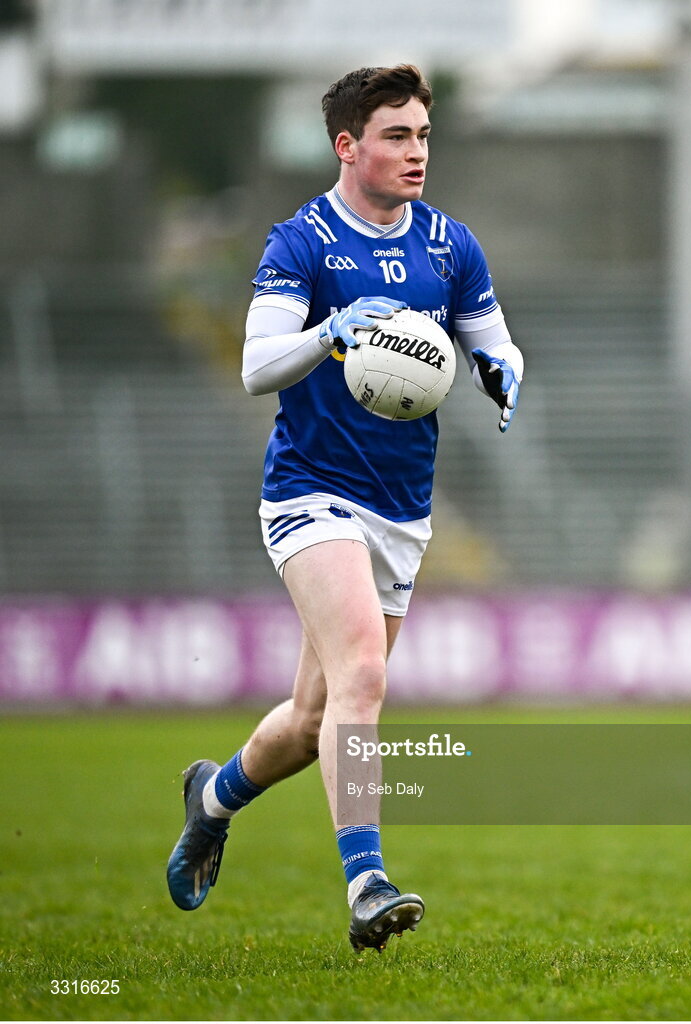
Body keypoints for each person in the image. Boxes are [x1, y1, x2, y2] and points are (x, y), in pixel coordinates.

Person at [167, 64, 524, 952]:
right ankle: (367, 883)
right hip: (310, 494)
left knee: (314, 719)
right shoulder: (300, 244)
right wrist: (329, 331)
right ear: (346, 145)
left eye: (424, 135)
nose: (416, 153)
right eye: (397, 136)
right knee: (365, 674)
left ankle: (212, 799)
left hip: (402, 510)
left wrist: (501, 369)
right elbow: (256, 368)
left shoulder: (450, 244)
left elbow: (492, 337)